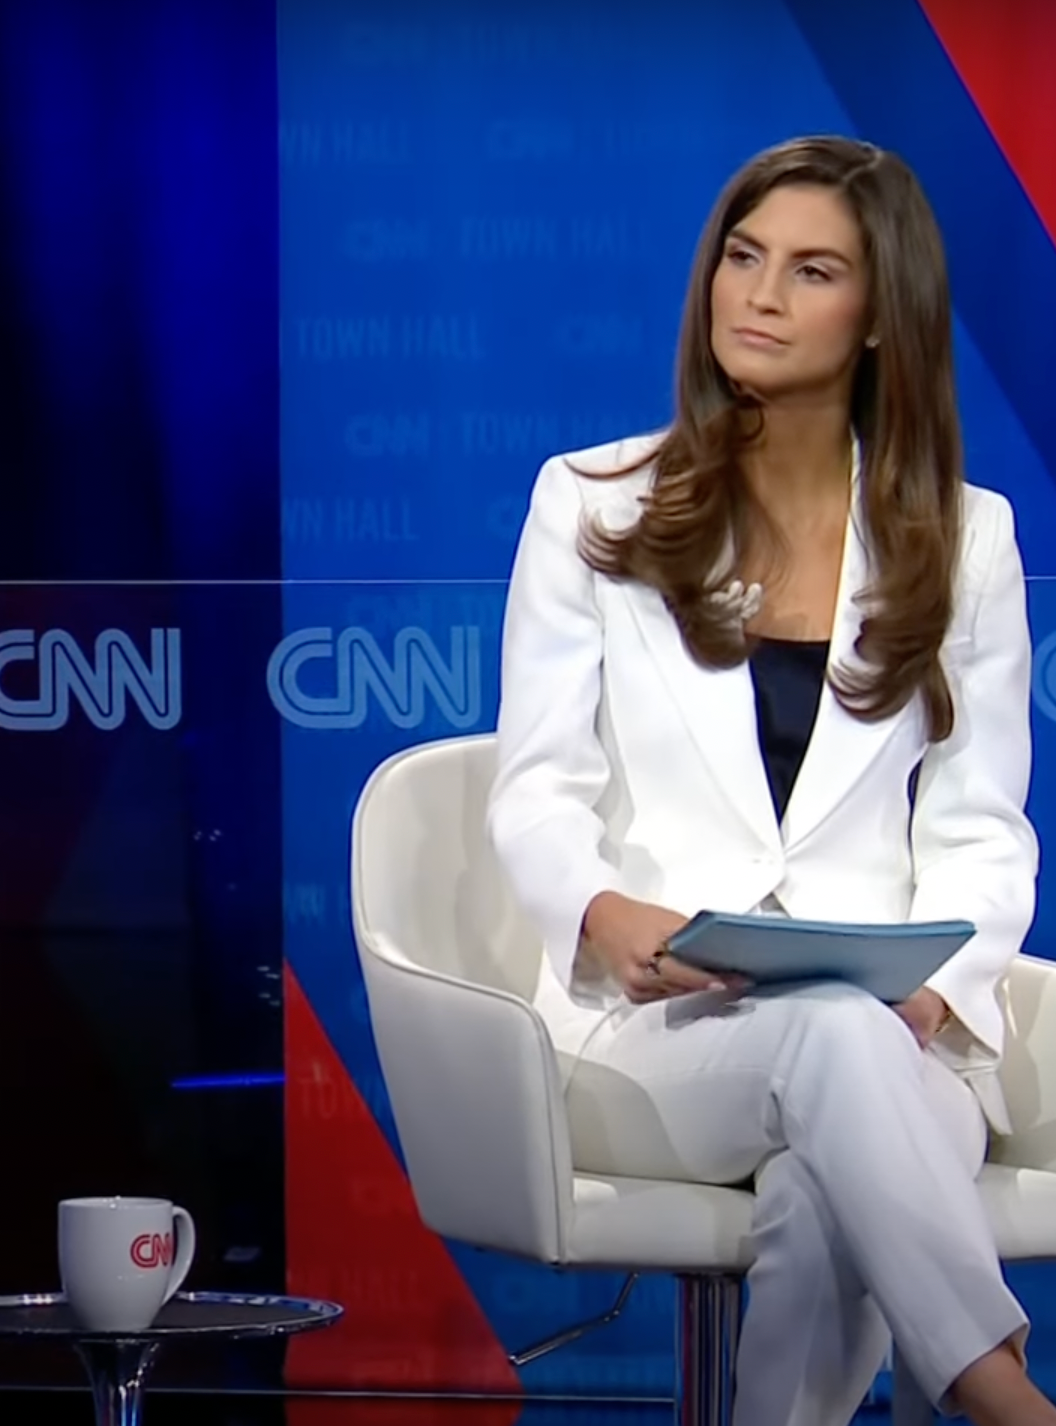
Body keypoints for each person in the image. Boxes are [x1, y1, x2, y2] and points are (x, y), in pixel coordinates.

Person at [487, 134, 1054, 1426]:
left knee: (823, 1178)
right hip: (658, 1035)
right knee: (829, 1039)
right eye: (741, 259)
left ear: (874, 320)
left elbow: (982, 833)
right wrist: (602, 914)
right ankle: (1000, 1390)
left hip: (898, 1043)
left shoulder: (966, 542)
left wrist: (929, 997)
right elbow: (533, 786)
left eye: (808, 272)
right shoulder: (590, 506)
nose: (755, 294)